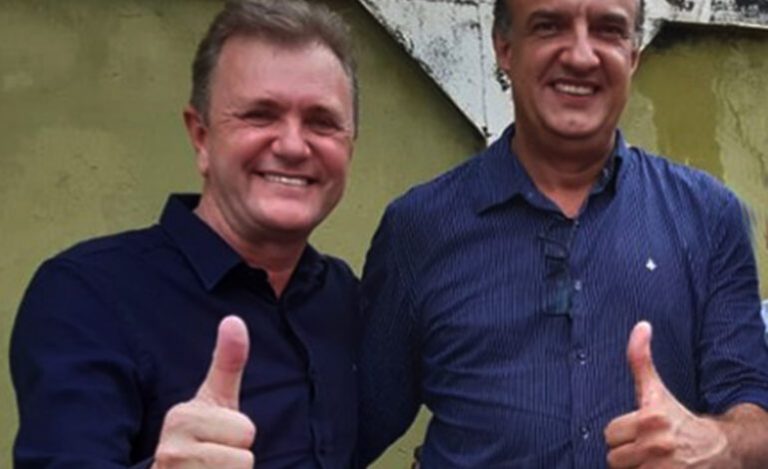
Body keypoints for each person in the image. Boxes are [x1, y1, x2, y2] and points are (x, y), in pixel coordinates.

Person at [357, 0, 768, 467]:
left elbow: (755, 415)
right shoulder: (419, 229)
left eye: (608, 29)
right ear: (504, 47)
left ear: (633, 54)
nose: (581, 55)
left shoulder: (708, 218)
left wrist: (718, 443)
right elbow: (349, 428)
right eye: (549, 26)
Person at [10, 0, 359, 467]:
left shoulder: (344, 298)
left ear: (349, 146)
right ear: (201, 137)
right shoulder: (86, 295)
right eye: (260, 114)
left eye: (322, 122)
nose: (293, 145)